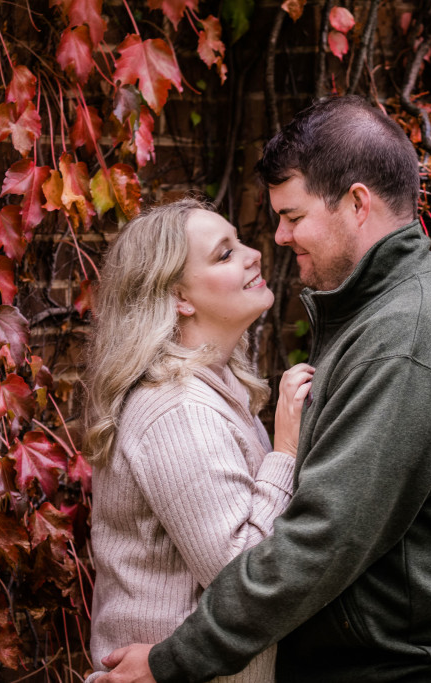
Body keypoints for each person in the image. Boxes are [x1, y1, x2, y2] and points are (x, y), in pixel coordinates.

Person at [100, 96, 431, 682]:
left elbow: (320, 542)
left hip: (413, 671)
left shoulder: (407, 338)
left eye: (293, 216)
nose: (278, 238)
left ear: (357, 204)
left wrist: (172, 661)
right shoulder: (381, 316)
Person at [84, 198, 315, 682]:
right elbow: (242, 576)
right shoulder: (179, 410)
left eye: (239, 242)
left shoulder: (215, 388)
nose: (254, 254)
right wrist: (286, 453)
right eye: (225, 253)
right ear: (180, 298)